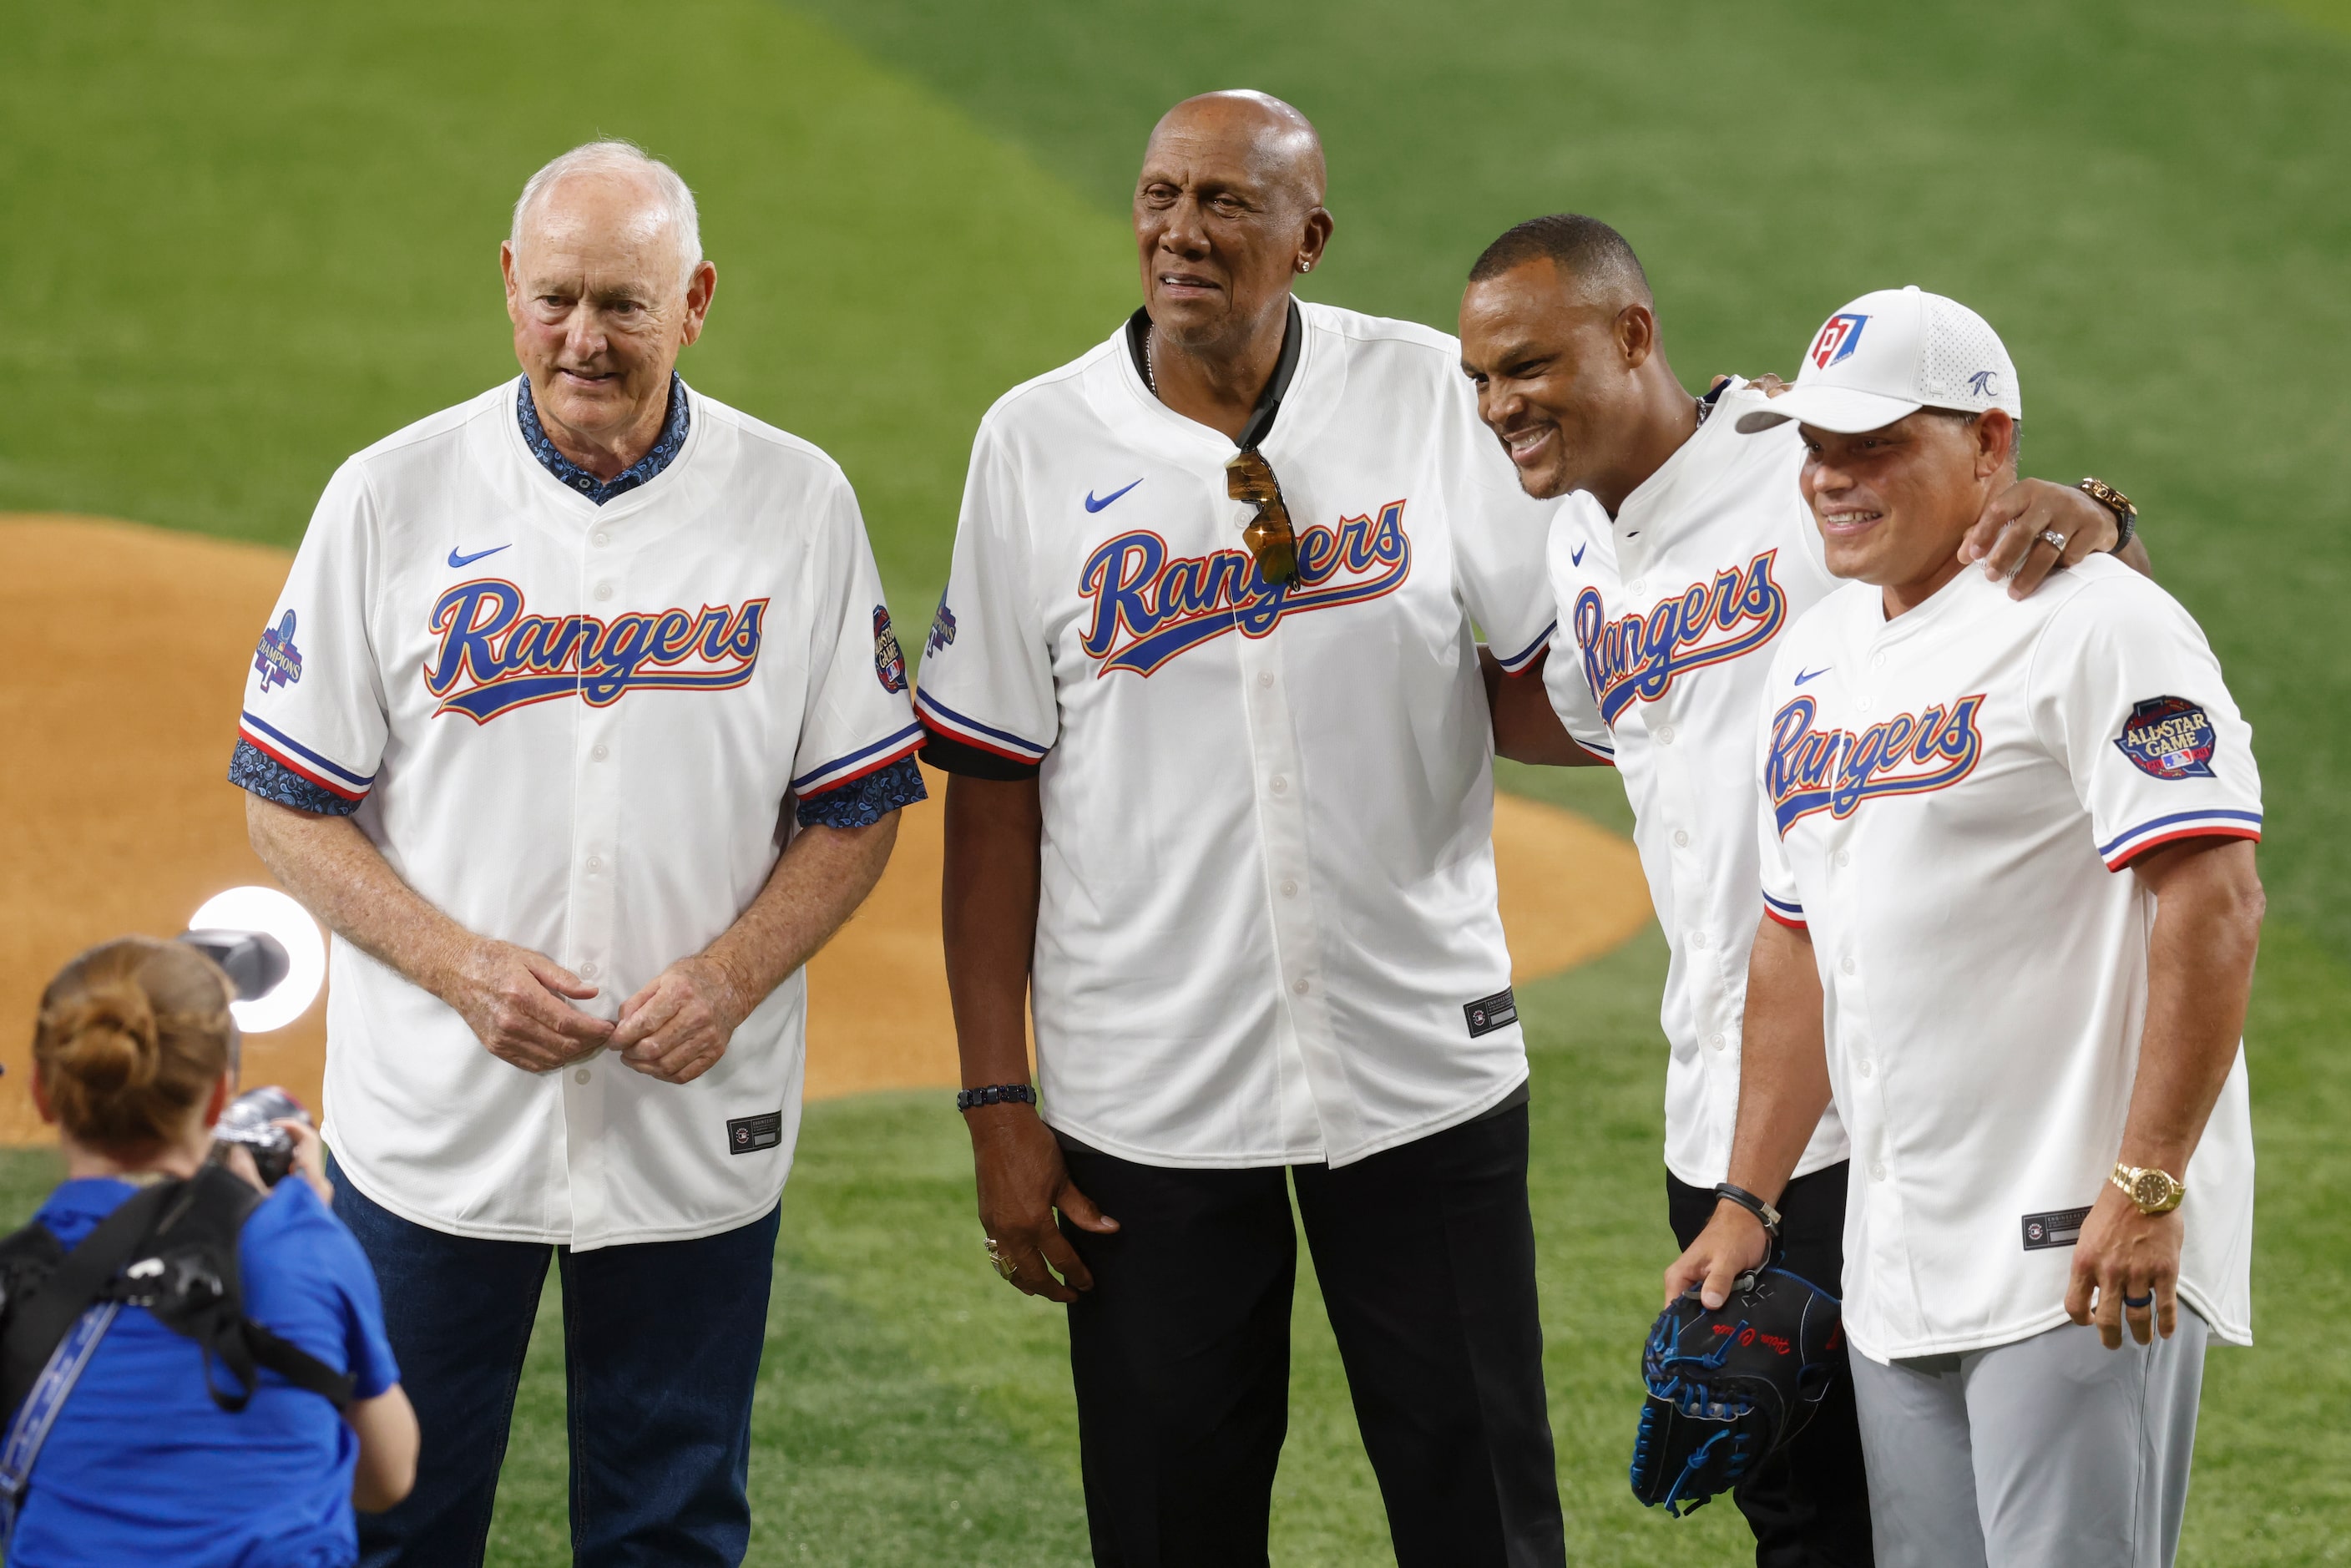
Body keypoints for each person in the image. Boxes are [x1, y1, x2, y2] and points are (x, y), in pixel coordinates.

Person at [230, 140, 924, 1565]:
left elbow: (857, 803)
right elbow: (283, 795)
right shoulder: (391, 496)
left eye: (624, 301)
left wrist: (732, 975)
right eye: (554, 298)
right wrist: (461, 965)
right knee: (392, 1519)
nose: (584, 338)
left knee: (672, 1523)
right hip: (430, 1126)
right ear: (507, 284)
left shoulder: (798, 502)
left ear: (697, 299)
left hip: (694, 1115)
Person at [918, 92, 1565, 1565]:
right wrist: (993, 1098)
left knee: (1484, 1507)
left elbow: (1556, 673)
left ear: (1308, 237)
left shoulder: (1424, 393)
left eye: (1224, 202)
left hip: (1419, 1053)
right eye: (1159, 195)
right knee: (1170, 1523)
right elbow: (993, 794)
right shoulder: (1033, 442)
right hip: (1149, 1081)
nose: (1179, 231)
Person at [1458, 219, 2145, 1565]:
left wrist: (2101, 515)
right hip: (1725, 1108)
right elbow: (1603, 721)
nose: (1500, 405)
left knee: (1932, 1517)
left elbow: (2006, 545)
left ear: (1634, 338)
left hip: (1883, 1098)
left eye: (1529, 365)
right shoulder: (1582, 547)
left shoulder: (1795, 455)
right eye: (1481, 378)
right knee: (1799, 1513)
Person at [1666, 288, 2263, 1568]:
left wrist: (2151, 1182)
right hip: (1898, 1265)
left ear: (1991, 445)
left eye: (1875, 443)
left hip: (2080, 1249)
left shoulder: (2097, 619)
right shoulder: (1816, 655)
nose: (1832, 475)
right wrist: (1749, 1197)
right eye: (1817, 443)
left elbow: (2215, 896)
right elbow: (1796, 943)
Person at [7, 935, 416, 1566]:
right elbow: (386, 1478)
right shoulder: (302, 1244)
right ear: (222, 1098)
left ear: (41, 1093)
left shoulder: (16, 1278)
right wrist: (297, 1225)